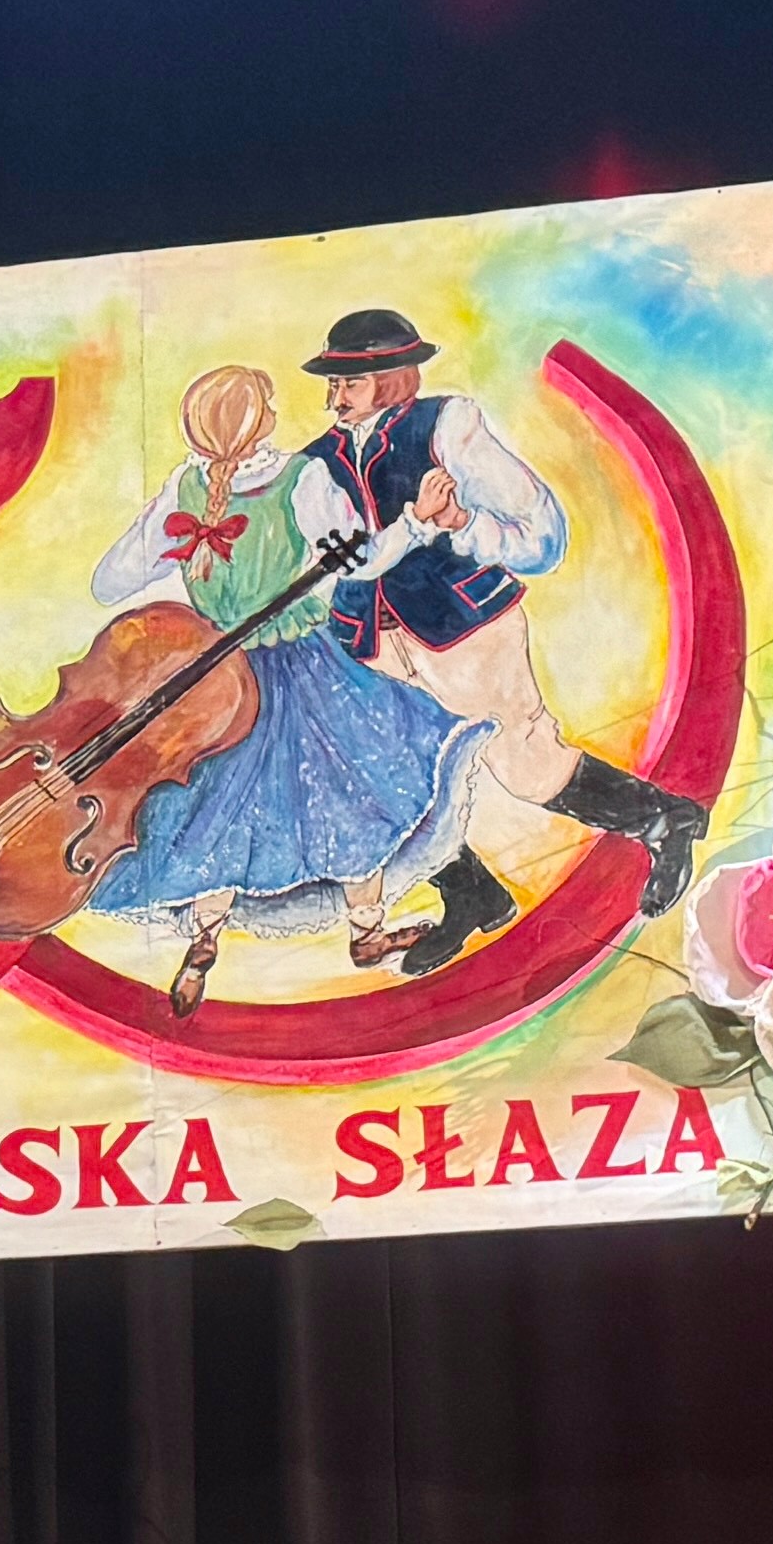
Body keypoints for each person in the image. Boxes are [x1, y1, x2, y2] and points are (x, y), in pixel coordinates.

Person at [284, 303, 713, 975]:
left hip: (464, 625)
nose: (334, 398)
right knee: (392, 783)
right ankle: (472, 895)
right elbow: (331, 558)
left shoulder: (447, 426)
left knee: (524, 762)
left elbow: (542, 535)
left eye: (349, 382)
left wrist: (463, 525)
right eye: (333, 384)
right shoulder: (314, 462)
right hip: (370, 641)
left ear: (392, 377)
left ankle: (663, 820)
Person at [79, 362, 490, 1015]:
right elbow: (362, 561)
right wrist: (416, 521)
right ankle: (367, 932)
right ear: (255, 421)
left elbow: (108, 582)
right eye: (267, 403)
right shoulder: (302, 479)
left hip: (216, 684)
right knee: (349, 789)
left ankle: (204, 941)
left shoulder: (185, 487)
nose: (276, 411)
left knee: (215, 804)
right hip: (300, 669)